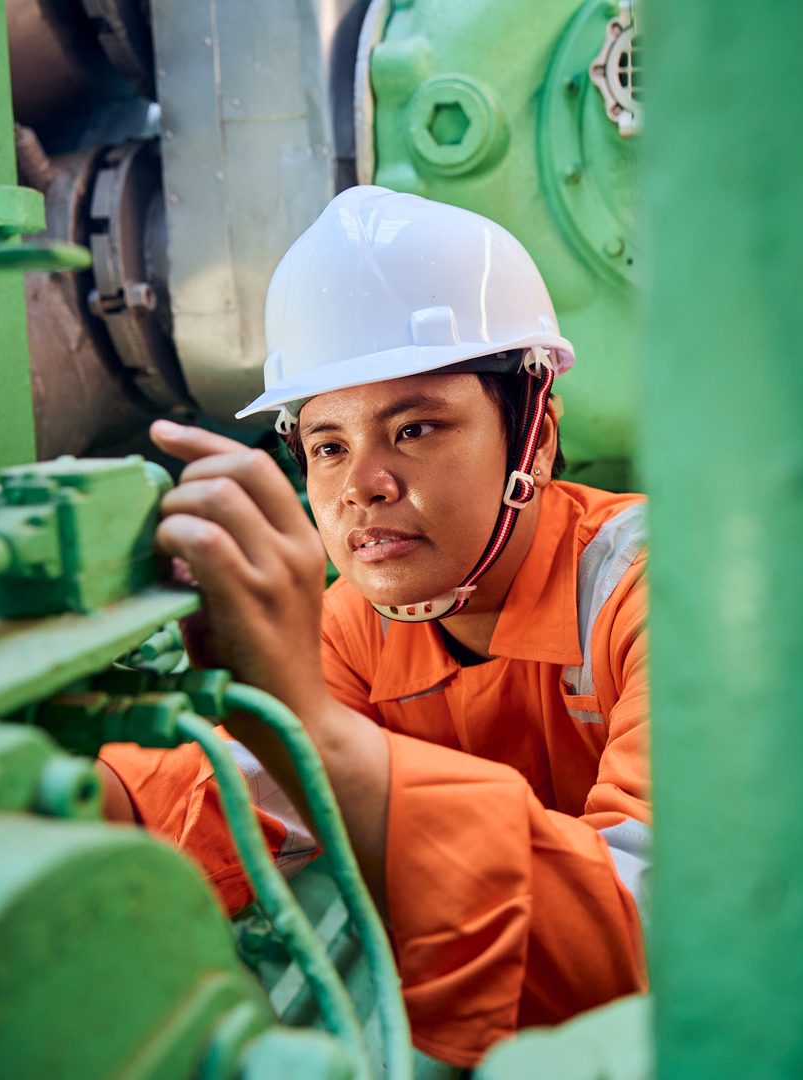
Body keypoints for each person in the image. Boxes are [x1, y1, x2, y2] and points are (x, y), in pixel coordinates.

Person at [96, 186, 650, 1067]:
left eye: (417, 427)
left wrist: (309, 732)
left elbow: (657, 934)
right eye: (327, 445)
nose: (364, 485)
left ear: (535, 434)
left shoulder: (653, 594)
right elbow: (190, 800)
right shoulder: (348, 630)